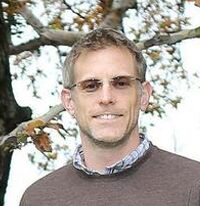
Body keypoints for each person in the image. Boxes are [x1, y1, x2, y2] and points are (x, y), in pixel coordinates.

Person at [20, 28, 200, 206]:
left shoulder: (193, 186)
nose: (106, 98)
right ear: (69, 102)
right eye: (91, 86)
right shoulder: (37, 199)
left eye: (121, 83)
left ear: (143, 96)